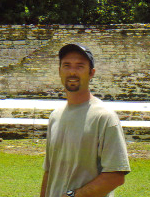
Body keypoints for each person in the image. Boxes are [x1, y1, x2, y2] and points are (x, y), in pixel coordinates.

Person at [40, 43, 130, 197]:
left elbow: (115, 176)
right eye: (67, 65)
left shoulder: (104, 117)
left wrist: (73, 195)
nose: (72, 71)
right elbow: (50, 171)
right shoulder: (55, 116)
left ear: (91, 73)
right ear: (59, 71)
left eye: (80, 66)